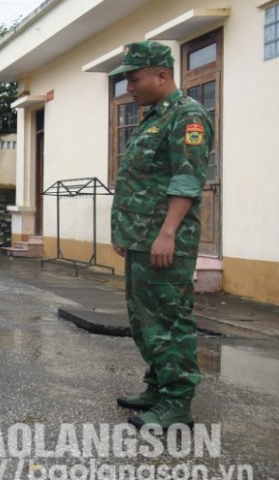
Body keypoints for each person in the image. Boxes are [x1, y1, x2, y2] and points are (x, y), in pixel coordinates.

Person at [109, 40, 214, 430]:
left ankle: (177, 403)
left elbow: (187, 180)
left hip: (165, 242)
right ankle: (157, 386)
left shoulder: (187, 117)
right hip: (141, 239)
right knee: (143, 321)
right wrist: (125, 232)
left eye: (134, 79)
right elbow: (140, 182)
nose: (129, 88)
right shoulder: (153, 118)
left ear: (162, 74)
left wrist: (167, 234)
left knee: (170, 322)